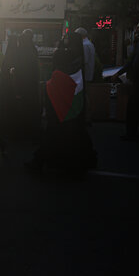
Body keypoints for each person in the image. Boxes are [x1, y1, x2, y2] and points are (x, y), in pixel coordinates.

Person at [26, 32, 96, 173]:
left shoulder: (63, 55)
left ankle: (40, 162)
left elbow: (56, 73)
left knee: (53, 132)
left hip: (58, 99)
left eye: (67, 38)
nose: (65, 40)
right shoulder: (78, 57)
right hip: (74, 102)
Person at [14, 29, 41, 139]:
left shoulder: (20, 50)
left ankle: (22, 130)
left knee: (22, 107)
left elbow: (18, 67)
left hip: (22, 83)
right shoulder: (33, 49)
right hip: (32, 83)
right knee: (31, 107)